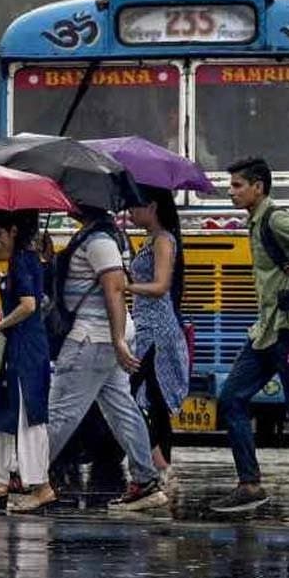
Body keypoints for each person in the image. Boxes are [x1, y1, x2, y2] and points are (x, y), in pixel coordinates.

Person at [210, 158, 289, 523]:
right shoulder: (254, 223)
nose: (231, 192)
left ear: (259, 187)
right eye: (231, 185)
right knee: (232, 398)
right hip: (266, 331)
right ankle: (250, 486)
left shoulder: (276, 220)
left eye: (237, 185)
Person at [46, 205, 168, 511]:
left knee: (61, 411)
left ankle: (25, 477)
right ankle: (145, 480)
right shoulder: (99, 236)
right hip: (102, 338)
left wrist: (116, 341)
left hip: (92, 338)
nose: (68, 202)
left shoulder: (99, 239)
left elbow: (114, 290)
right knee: (122, 409)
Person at [0, 210, 55, 512]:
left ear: (15, 231)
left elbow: (28, 305)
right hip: (21, 351)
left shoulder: (22, 260)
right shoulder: (26, 260)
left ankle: (40, 486)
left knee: (26, 420)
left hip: (24, 353)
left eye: (1, 233)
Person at [125, 186, 189, 481]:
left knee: (136, 395)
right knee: (149, 395)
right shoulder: (149, 240)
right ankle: (161, 465)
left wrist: (125, 287)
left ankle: (159, 463)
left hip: (157, 332)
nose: (131, 213)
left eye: (136, 207)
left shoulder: (163, 240)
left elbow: (161, 285)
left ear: (152, 207)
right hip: (143, 326)